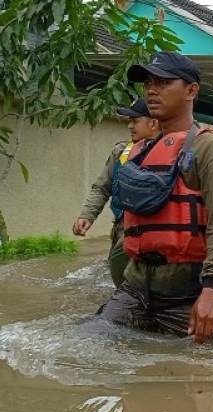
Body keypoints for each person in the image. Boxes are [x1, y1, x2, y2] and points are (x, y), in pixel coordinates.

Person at [97, 52, 213, 343]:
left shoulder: (208, 147)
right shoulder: (140, 151)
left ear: (191, 90)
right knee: (84, 342)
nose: (151, 89)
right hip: (136, 287)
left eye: (163, 82)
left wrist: (212, 291)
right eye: (148, 82)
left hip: (189, 291)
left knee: (200, 376)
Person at [73, 99, 160, 287]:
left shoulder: (173, 153)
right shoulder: (121, 152)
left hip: (155, 233)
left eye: (135, 121)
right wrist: (87, 215)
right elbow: (102, 187)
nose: (130, 126)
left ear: (153, 123)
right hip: (123, 229)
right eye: (129, 121)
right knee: (120, 282)